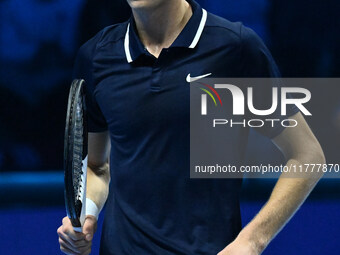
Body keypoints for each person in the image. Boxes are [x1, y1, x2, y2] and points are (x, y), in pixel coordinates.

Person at [57, 0, 325, 254]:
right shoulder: (96, 56)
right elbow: (97, 166)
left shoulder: (235, 48)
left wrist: (253, 240)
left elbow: (308, 155)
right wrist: (87, 213)